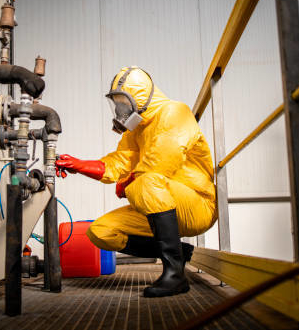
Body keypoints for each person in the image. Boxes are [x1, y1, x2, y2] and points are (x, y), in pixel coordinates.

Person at [55, 66, 216, 297]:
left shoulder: (175, 113)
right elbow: (118, 164)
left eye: (124, 102)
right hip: (158, 198)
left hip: (198, 204)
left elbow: (158, 166)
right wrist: (79, 165)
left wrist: (127, 182)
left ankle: (175, 275)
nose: (120, 109)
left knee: (144, 183)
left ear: (140, 98)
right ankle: (179, 253)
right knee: (101, 232)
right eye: (117, 103)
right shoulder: (135, 130)